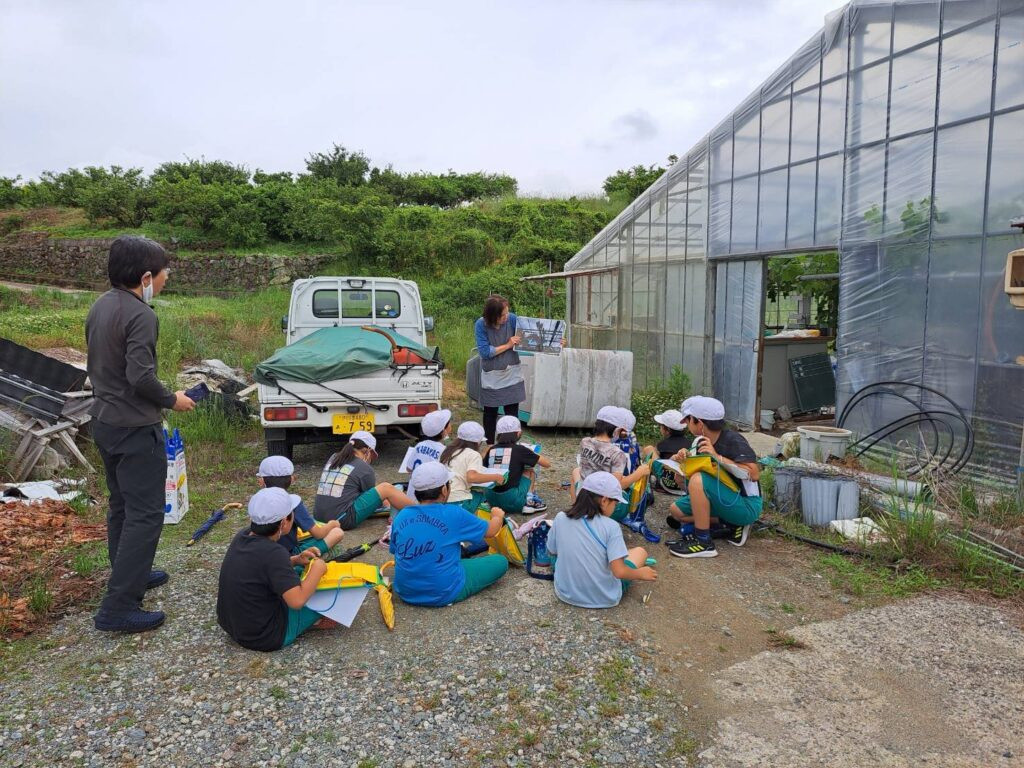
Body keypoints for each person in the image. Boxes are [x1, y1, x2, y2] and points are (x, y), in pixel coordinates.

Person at [87, 235, 196, 634]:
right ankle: (118, 607)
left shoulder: (101, 305)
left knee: (121, 506)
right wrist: (173, 399)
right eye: (165, 273)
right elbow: (140, 376)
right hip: (134, 427)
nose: (166, 279)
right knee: (146, 514)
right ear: (146, 276)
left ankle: (130, 574)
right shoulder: (141, 314)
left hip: (105, 421)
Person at [216, 487, 330, 651]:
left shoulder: (243, 536)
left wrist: (296, 560)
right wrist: (318, 569)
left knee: (298, 573)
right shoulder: (275, 553)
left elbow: (259, 567)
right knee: (329, 592)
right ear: (284, 523)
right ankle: (314, 621)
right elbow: (297, 601)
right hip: (266, 636)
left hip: (233, 626)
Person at [390, 462, 509, 607]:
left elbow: (396, 551)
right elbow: (491, 531)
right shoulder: (454, 513)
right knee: (500, 561)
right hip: (444, 592)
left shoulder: (403, 515)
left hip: (405, 591)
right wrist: (497, 516)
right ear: (445, 490)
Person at [667, 396, 763, 559]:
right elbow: (687, 486)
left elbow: (753, 474)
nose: (686, 425)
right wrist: (681, 466)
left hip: (746, 504)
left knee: (698, 479)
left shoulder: (733, 440)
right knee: (676, 511)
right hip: (722, 498)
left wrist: (717, 456)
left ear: (699, 423)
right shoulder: (700, 442)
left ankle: (703, 542)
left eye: (688, 420)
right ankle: (729, 525)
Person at [546, 471, 657, 609]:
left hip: (565, 593)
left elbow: (552, 550)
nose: (614, 508)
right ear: (604, 501)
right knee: (640, 552)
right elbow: (619, 572)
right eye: (615, 504)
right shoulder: (611, 527)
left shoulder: (561, 517)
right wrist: (640, 574)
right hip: (604, 597)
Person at [313, 431, 416, 530]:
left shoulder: (334, 458)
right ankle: (422, 512)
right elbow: (375, 498)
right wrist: (390, 501)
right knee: (386, 488)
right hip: (342, 520)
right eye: (372, 457)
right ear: (367, 451)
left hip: (318, 517)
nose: (371, 460)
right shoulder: (365, 468)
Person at [256, 455, 344, 562]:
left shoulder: (257, 502)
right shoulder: (292, 502)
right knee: (337, 532)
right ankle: (308, 559)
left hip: (263, 554)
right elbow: (319, 534)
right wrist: (332, 524)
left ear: (261, 481)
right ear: (292, 479)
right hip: (289, 556)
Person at [569, 406, 650, 521]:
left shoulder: (585, 441)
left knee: (576, 471)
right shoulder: (617, 453)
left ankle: (576, 508)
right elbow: (615, 486)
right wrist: (639, 473)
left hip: (583, 496)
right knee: (630, 491)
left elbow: (595, 467)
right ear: (617, 431)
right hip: (602, 507)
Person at [474, 294, 525, 443]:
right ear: (492, 316)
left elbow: (531, 337)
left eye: (507, 313)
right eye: (503, 315)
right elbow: (485, 352)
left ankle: (510, 446)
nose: (506, 317)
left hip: (511, 372)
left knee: (512, 414)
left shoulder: (513, 319)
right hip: (492, 375)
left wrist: (554, 343)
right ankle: (489, 445)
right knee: (490, 413)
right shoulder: (481, 325)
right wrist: (508, 345)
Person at [484, 415, 550, 513]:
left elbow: (484, 467)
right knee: (529, 470)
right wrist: (531, 451)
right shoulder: (520, 450)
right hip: (512, 500)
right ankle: (529, 500)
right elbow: (547, 464)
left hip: (490, 498)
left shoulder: (492, 449)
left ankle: (488, 502)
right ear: (518, 433)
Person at [440, 421, 505, 511]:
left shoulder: (448, 450)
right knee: (483, 498)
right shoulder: (473, 454)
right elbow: (472, 477)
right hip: (458, 500)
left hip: (442, 497)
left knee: (474, 493)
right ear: (477, 442)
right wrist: (496, 476)